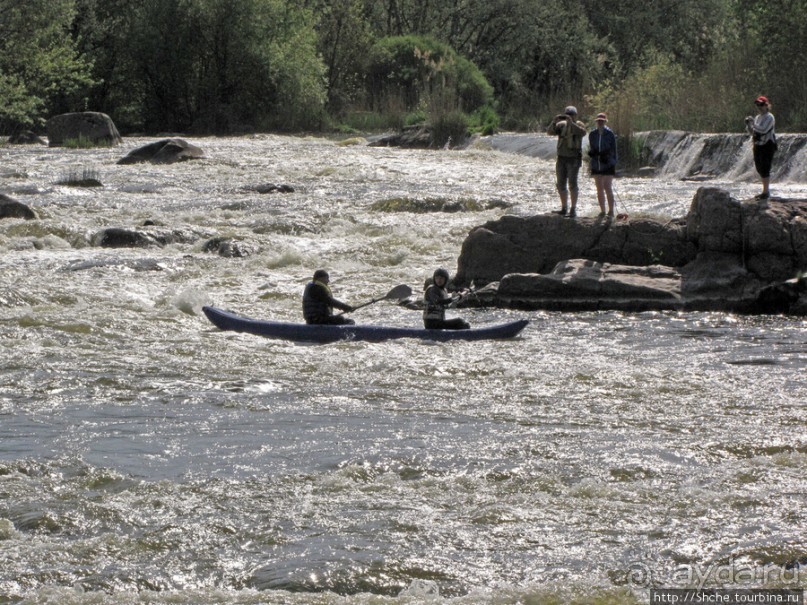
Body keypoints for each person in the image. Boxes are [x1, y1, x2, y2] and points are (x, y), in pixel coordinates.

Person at [546, 105, 587, 218]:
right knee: (560, 184)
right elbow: (549, 132)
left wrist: (571, 123)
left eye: (571, 115)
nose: (568, 117)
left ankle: (573, 209)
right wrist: (554, 122)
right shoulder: (560, 125)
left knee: (573, 184)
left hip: (573, 159)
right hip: (561, 158)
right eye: (567, 114)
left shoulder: (578, 125)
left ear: (575, 115)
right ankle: (564, 207)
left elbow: (582, 133)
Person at [745, 95, 776, 199]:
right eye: (758, 105)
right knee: (759, 168)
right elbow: (752, 132)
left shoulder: (770, 117)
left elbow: (763, 130)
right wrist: (749, 125)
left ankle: (766, 192)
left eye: (761, 104)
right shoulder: (758, 118)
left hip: (768, 145)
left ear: (767, 105)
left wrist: (753, 123)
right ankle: (764, 191)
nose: (759, 107)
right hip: (758, 145)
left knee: (765, 167)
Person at [588, 112, 618, 218]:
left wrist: (611, 162)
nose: (600, 122)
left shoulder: (610, 134)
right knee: (599, 188)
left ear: (605, 122)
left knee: (607, 187)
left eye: (602, 121)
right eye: (598, 121)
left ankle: (611, 211)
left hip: (607, 164)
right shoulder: (592, 134)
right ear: (596, 122)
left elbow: (614, 150)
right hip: (596, 164)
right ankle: (603, 211)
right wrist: (593, 154)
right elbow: (592, 148)